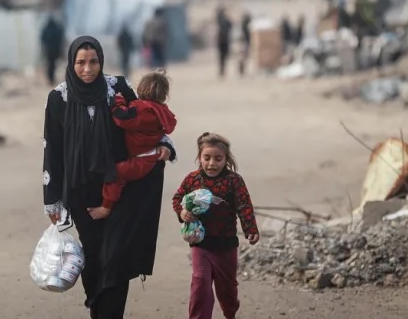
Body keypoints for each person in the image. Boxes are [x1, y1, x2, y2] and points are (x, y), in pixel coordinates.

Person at [42, 36, 175, 319]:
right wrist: (52, 199)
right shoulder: (58, 98)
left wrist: (165, 145)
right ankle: (98, 310)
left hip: (121, 188)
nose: (88, 69)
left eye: (94, 62)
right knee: (93, 256)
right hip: (81, 193)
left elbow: (147, 118)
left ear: (101, 61)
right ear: (71, 63)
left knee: (117, 256)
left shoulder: (118, 88)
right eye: (81, 62)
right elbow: (52, 148)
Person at [172, 133, 260, 319]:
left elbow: (244, 205)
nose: (212, 163)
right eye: (207, 158)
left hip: (226, 244)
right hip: (200, 242)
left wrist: (250, 229)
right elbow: (178, 198)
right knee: (200, 282)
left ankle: (230, 312)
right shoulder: (192, 179)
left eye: (218, 159)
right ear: (199, 157)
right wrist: (182, 212)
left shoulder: (233, 181)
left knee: (227, 292)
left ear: (226, 159)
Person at [89, 69, 177, 220]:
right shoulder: (162, 110)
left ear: (141, 88)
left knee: (116, 174)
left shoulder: (142, 109)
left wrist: (117, 101)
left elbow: (121, 117)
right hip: (150, 155)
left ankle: (106, 207)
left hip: (141, 158)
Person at [40, 14, 65, 85]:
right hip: (55, 50)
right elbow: (60, 39)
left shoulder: (46, 29)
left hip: (49, 51)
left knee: (50, 65)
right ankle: (51, 79)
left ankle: (51, 79)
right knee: (53, 65)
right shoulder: (57, 29)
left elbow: (43, 39)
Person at [216, 6, 232, 79]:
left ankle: (222, 71)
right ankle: (222, 71)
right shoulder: (221, 19)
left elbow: (230, 25)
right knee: (222, 57)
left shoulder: (223, 19)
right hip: (223, 40)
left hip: (224, 40)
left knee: (223, 57)